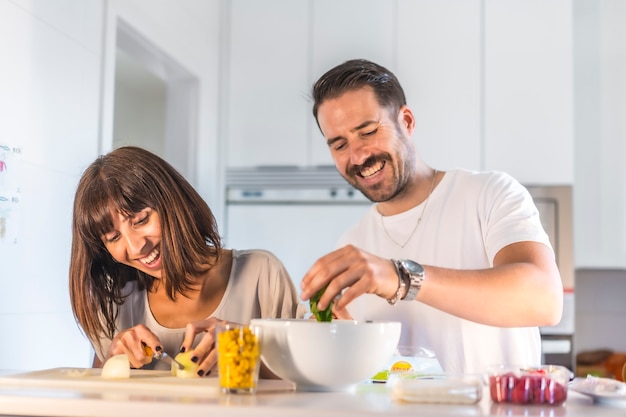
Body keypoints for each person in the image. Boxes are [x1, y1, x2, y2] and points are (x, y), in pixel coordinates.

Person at [299, 59, 564, 374]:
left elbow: (544, 299)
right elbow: (375, 374)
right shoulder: (351, 245)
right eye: (339, 145)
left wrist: (402, 277)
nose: (358, 156)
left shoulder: (489, 194)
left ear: (407, 121)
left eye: (368, 132)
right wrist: (341, 341)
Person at [69, 146, 304, 377]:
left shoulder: (261, 275)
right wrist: (114, 362)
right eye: (113, 237)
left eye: (141, 220)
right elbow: (100, 402)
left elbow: (302, 391)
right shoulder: (117, 303)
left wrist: (243, 350)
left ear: (172, 202)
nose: (136, 247)